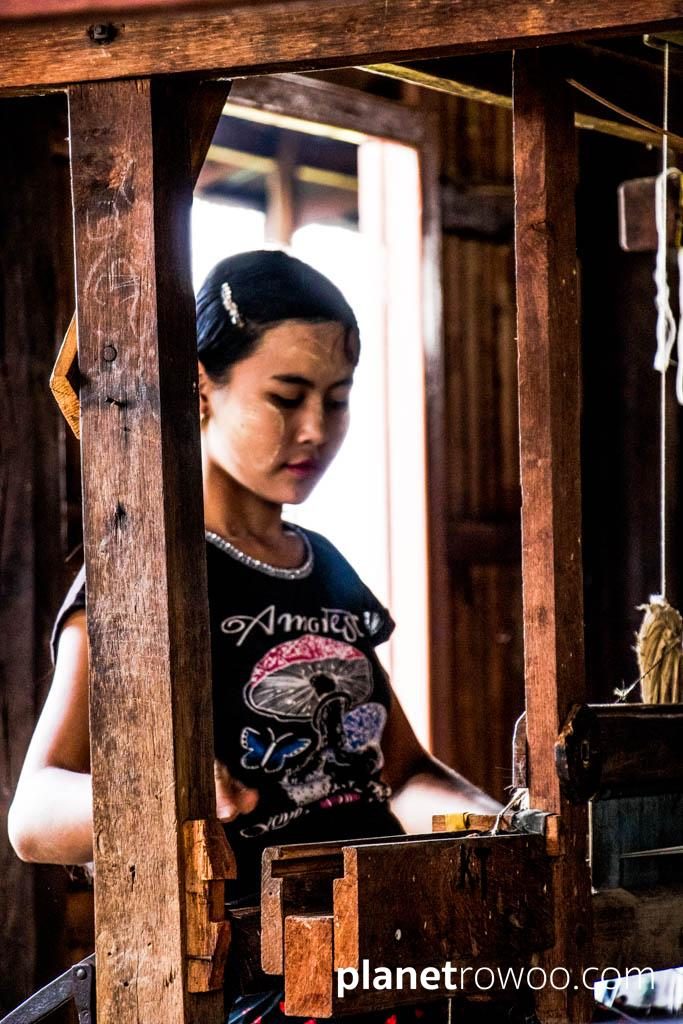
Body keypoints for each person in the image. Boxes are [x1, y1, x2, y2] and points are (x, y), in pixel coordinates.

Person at [8, 249, 499, 1022]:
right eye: (285, 396)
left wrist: (498, 827)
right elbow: (33, 816)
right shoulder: (143, 580)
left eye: (336, 401)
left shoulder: (323, 564)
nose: (315, 429)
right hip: (253, 975)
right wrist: (157, 800)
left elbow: (400, 775)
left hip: (387, 952)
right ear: (202, 385)